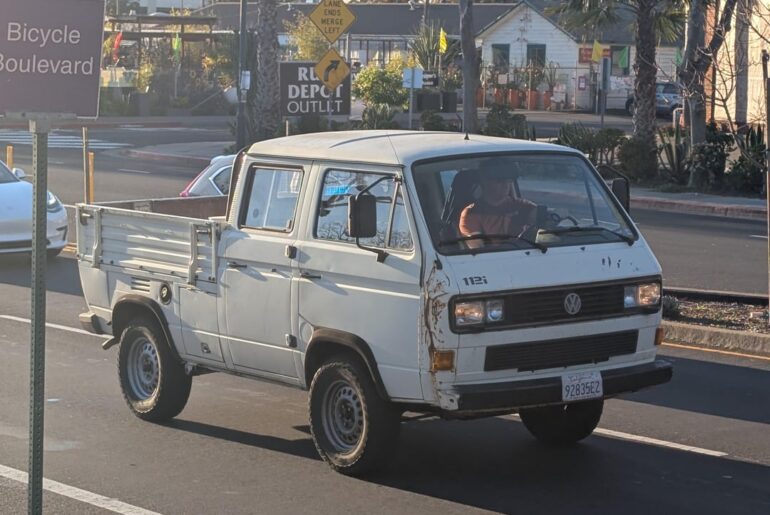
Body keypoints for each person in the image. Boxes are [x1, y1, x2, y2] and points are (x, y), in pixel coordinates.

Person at [458, 167, 536, 247]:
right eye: (500, 180)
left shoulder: (521, 205)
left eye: (509, 180)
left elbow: (541, 216)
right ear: (485, 182)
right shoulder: (471, 214)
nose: (506, 185)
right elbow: (478, 251)